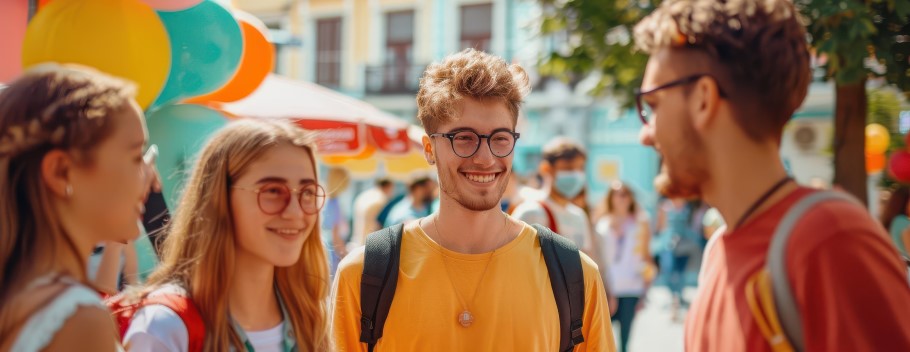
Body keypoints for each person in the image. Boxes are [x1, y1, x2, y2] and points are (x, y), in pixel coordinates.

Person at [634, 0, 910, 350]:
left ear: (704, 99)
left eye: (653, 105)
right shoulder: (717, 254)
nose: (645, 134)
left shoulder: (830, 239)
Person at [331, 48, 615, 351]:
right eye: (464, 137)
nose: (485, 157)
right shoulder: (364, 276)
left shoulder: (576, 276)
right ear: (429, 148)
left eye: (500, 138)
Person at [122, 119, 331, 351]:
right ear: (219, 197)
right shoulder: (164, 325)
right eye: (272, 191)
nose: (295, 211)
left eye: (308, 192)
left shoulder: (311, 317)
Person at [0, 64, 152, 351]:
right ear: (61, 171)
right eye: (135, 156)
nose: (148, 175)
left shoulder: (19, 297)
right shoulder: (77, 318)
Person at [594, 181, 654, 352]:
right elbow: (598, 258)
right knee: (602, 336)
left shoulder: (641, 222)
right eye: (617, 194)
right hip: (607, 286)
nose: (621, 198)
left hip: (631, 286)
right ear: (610, 198)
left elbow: (646, 256)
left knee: (625, 339)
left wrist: (646, 291)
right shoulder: (601, 223)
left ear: (631, 198)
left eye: (625, 194)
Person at [512, 137, 595, 253]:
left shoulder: (579, 216)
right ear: (546, 168)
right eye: (568, 168)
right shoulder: (530, 212)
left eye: (580, 168)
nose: (576, 175)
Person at [655, 197, 700, 321]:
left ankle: (676, 300)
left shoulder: (688, 207)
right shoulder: (665, 207)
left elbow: (693, 225)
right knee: (669, 273)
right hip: (669, 246)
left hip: (684, 246)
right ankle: (675, 297)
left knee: (681, 274)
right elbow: (660, 226)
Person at [323, 167, 352, 272]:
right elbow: (335, 235)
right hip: (333, 254)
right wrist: (344, 255)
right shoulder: (334, 203)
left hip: (330, 251)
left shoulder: (329, 201)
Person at [352, 178, 394, 245]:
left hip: (357, 240)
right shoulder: (382, 199)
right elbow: (379, 224)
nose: (392, 193)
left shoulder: (363, 195)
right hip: (370, 243)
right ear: (387, 187)